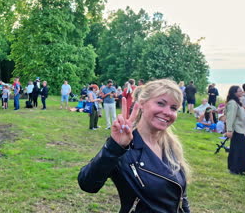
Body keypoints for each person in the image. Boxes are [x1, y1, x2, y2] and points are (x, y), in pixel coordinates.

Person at [78, 79, 190, 212]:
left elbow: (180, 197)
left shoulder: (171, 145)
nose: (167, 112)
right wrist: (114, 147)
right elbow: (88, 184)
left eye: (173, 108)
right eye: (161, 103)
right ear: (141, 104)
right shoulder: (125, 147)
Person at [225, 85, 245, 175]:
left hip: (240, 129)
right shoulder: (232, 103)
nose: (241, 92)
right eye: (239, 91)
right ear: (234, 92)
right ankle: (234, 168)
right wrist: (229, 130)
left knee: (240, 149)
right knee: (237, 150)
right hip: (236, 130)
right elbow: (230, 117)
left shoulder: (237, 102)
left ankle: (238, 168)